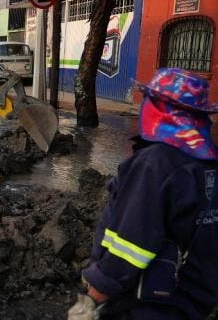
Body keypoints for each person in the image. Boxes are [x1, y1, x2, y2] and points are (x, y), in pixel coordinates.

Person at [68, 68, 218, 320]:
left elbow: (131, 244)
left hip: (144, 305)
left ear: (161, 109)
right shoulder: (207, 164)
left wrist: (94, 297)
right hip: (192, 302)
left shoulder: (155, 164)